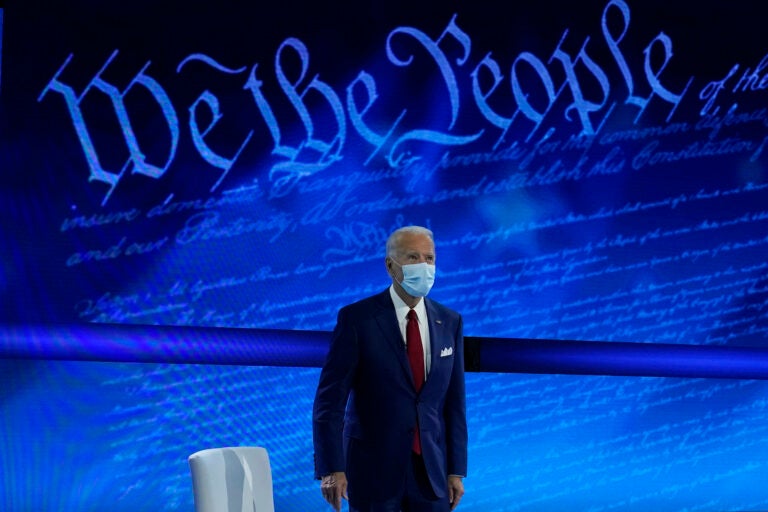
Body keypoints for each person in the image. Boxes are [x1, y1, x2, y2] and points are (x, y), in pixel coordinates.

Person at [313, 225, 467, 512]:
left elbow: (454, 405)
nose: (423, 266)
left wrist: (456, 470)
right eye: (412, 257)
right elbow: (329, 402)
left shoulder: (450, 322)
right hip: (372, 472)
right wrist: (331, 467)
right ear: (390, 265)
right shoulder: (358, 319)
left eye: (429, 259)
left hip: (431, 474)